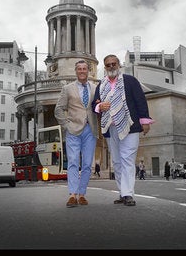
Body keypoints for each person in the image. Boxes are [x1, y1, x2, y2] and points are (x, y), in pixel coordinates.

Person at [93, 54, 153, 207]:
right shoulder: (101, 85)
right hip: (110, 128)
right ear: (105, 68)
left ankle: (128, 193)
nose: (111, 66)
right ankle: (122, 192)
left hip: (129, 126)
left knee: (127, 159)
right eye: (108, 65)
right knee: (117, 162)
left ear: (119, 65)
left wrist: (144, 121)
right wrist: (100, 106)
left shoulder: (130, 81)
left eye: (114, 63)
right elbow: (95, 103)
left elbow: (140, 100)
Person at [54, 60, 98, 208]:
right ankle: (72, 195)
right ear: (76, 71)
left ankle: (82, 194)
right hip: (73, 130)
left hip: (90, 130)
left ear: (88, 71)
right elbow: (58, 109)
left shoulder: (95, 88)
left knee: (86, 164)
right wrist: (66, 125)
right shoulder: (67, 88)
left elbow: (98, 107)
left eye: (84, 69)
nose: (82, 71)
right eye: (79, 69)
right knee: (73, 162)